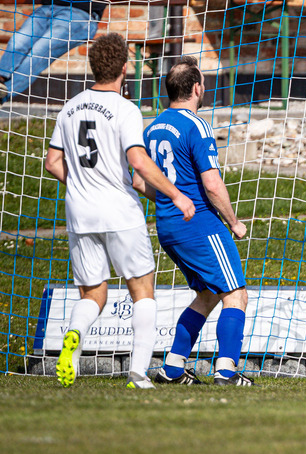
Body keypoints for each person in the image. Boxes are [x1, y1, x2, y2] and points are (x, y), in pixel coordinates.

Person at [44, 33, 195, 389]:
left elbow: (52, 162)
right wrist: (175, 195)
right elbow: (138, 160)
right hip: (119, 211)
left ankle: (74, 335)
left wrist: (83, 183)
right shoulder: (125, 109)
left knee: (93, 293)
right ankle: (138, 374)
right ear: (125, 68)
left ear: (92, 66)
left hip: (79, 212)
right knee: (142, 291)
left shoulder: (70, 106)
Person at [136, 56, 252, 386]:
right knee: (236, 294)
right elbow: (212, 184)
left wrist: (172, 201)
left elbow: (138, 181)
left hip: (168, 227)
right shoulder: (196, 125)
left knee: (207, 294)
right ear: (197, 88)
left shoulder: (152, 128)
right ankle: (226, 371)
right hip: (200, 225)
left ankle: (173, 368)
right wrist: (233, 222)